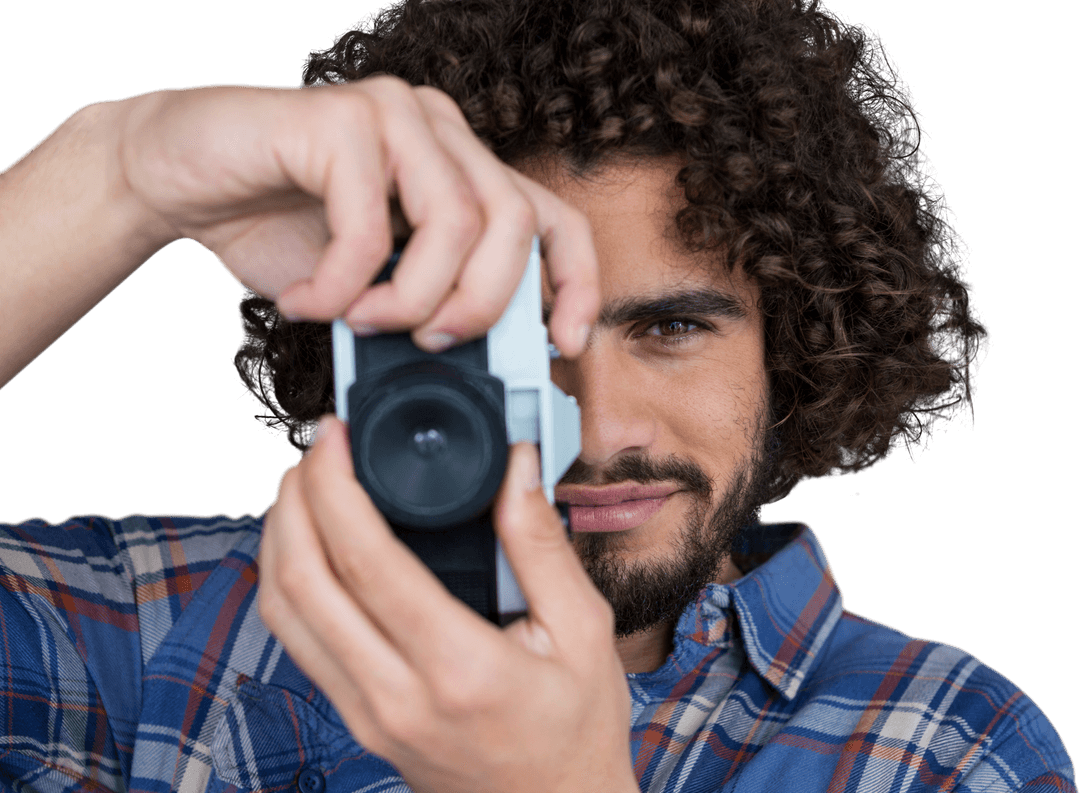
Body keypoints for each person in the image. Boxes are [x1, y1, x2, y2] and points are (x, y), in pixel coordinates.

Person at [0, 0, 1073, 791]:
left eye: (669, 328)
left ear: (790, 345)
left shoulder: (943, 745)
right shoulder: (159, 633)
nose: (593, 431)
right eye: (519, 340)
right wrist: (120, 172)